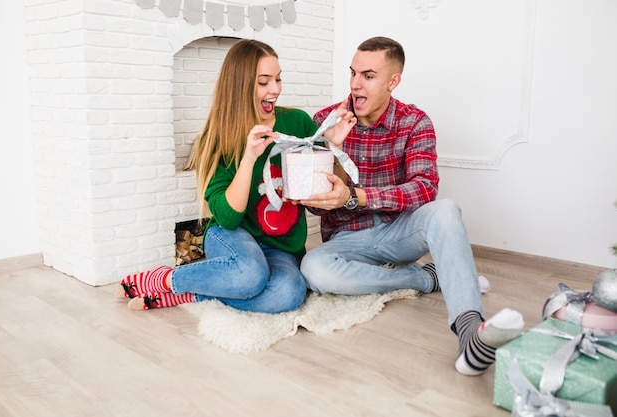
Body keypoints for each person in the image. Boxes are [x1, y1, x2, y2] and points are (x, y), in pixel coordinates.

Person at [298, 36, 524, 376]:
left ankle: (469, 332)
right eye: (353, 73)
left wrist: (356, 196)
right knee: (313, 270)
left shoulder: (415, 122)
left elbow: (423, 190)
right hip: (347, 240)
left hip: (398, 234)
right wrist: (332, 153)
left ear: (393, 81)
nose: (356, 84)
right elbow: (316, 207)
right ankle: (425, 279)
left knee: (445, 210)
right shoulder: (325, 121)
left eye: (369, 76)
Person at [113, 39, 355, 313]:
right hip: (231, 236)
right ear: (240, 85)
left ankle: (194, 293)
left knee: (289, 294)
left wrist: (335, 147)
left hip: (282, 247)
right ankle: (166, 278)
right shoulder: (216, 140)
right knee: (250, 274)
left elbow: (327, 194)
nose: (275, 89)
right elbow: (227, 218)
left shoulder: (297, 122)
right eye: (264, 82)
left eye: (277, 79)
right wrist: (249, 158)